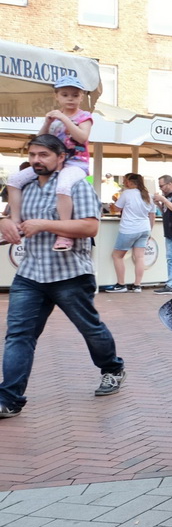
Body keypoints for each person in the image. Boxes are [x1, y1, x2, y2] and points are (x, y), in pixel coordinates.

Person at [0, 134, 124, 417]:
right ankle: (9, 398)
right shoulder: (25, 186)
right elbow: (11, 218)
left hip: (70, 274)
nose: (36, 161)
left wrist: (44, 224)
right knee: (19, 335)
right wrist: (6, 222)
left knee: (90, 329)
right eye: (32, 155)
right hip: (30, 274)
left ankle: (112, 368)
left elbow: (91, 228)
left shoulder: (76, 185)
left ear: (60, 157)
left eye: (43, 155)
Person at [3, 75, 95, 253]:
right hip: (53, 162)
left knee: (63, 186)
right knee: (14, 180)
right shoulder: (54, 118)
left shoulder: (85, 116)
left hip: (76, 163)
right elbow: (40, 140)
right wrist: (47, 122)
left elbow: (82, 137)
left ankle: (64, 232)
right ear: (57, 96)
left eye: (75, 95)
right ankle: (16, 222)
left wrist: (63, 118)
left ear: (82, 97)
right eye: (65, 94)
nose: (70, 98)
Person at [100, 173, 154, 293]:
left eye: (125, 181)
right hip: (144, 228)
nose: (124, 183)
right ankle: (137, 285)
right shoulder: (149, 195)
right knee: (139, 257)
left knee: (117, 256)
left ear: (130, 182)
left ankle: (121, 284)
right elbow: (152, 215)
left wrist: (114, 203)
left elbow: (116, 209)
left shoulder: (127, 194)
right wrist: (150, 231)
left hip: (129, 228)